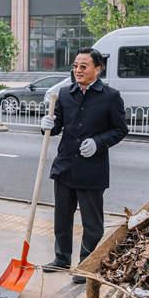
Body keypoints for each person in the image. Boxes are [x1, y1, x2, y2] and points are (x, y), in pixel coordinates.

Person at [40, 48, 127, 284]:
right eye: (75, 65)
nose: (78, 70)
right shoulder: (65, 94)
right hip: (65, 165)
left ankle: (86, 264)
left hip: (92, 169)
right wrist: (47, 123)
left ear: (98, 69)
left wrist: (98, 143)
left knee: (92, 223)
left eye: (83, 66)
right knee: (62, 217)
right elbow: (56, 126)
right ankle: (61, 258)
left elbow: (120, 130)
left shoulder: (110, 96)